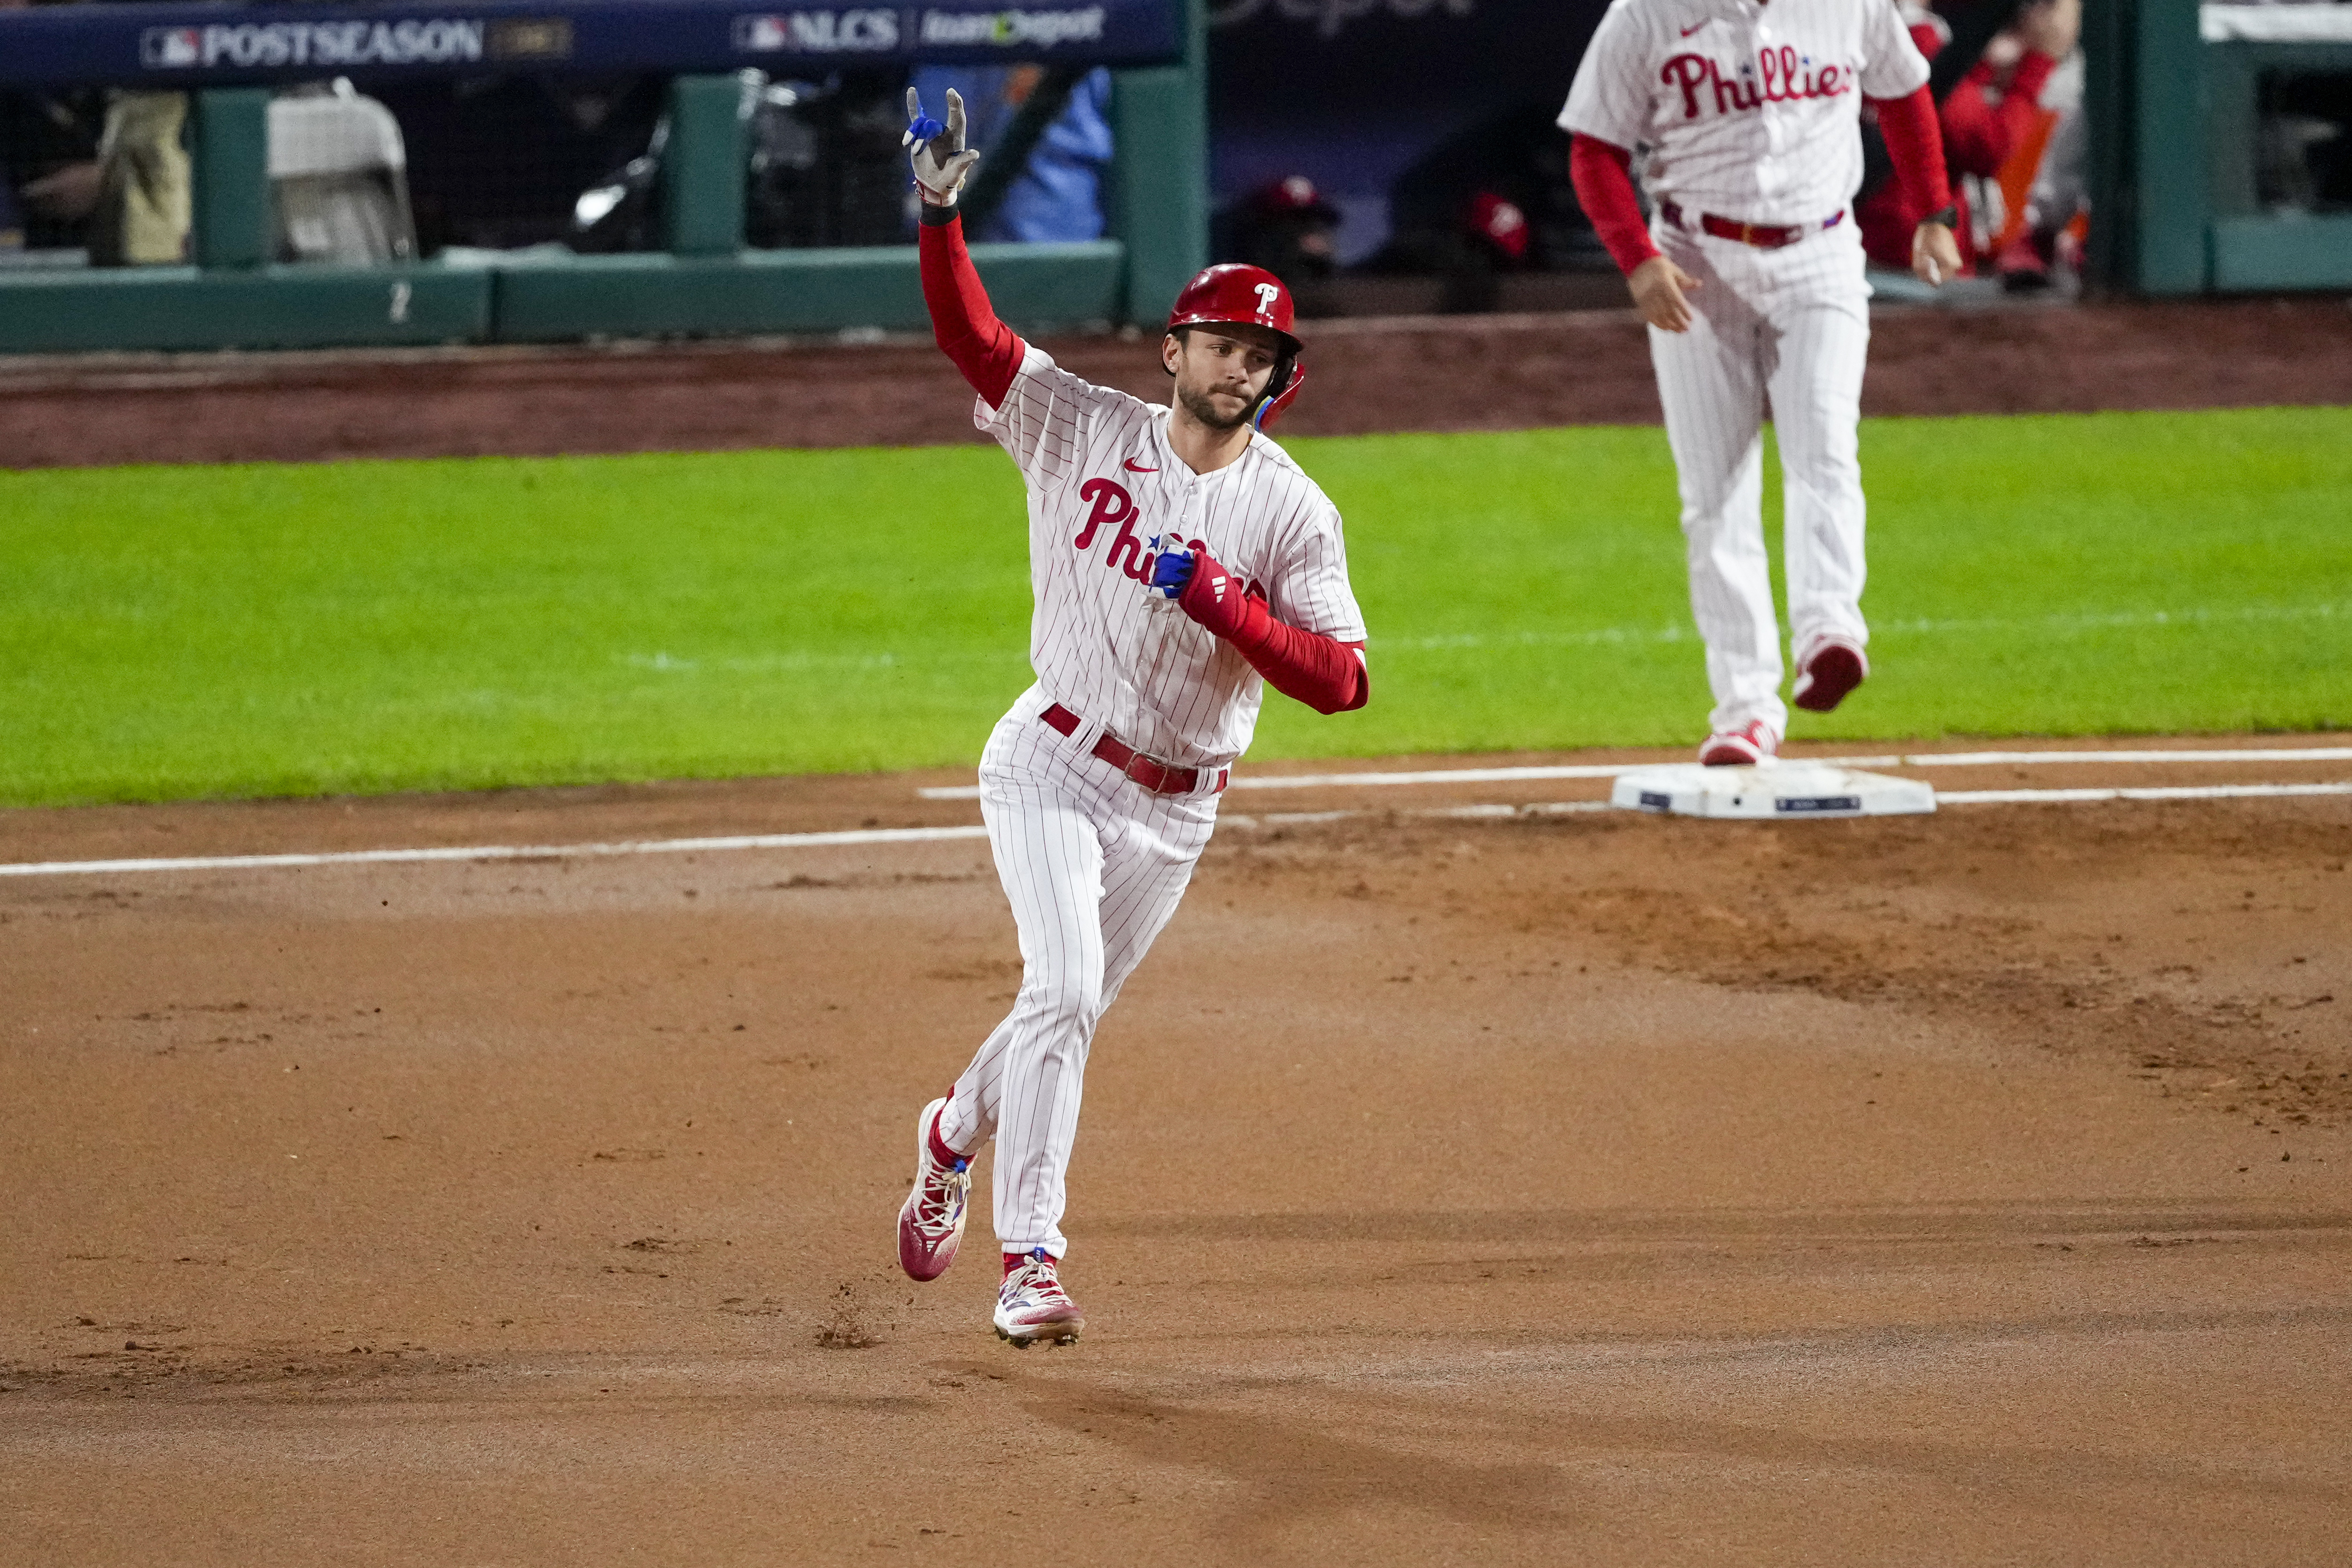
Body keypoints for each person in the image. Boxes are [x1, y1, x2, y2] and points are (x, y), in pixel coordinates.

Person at [890, 90, 1372, 1346]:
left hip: (1178, 811)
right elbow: (974, 339)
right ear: (1174, 350)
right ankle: (1029, 1258)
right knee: (1062, 984)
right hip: (1048, 760)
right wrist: (939, 216)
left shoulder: (1291, 513)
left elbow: (1342, 681)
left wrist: (1224, 604)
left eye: (1258, 354)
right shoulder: (1080, 426)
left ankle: (948, 1135)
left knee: (1065, 1005)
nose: (1236, 365)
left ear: (1281, 379)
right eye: (1218, 342)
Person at [1561, 0, 1960, 765]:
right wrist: (1638, 258)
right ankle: (1746, 711)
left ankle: (1829, 631)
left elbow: (1904, 91)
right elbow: (1595, 148)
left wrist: (1933, 209)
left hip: (1822, 256)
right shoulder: (1645, 15)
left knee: (1824, 447)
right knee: (1715, 493)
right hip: (1694, 259)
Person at [1856, 0, 2082, 277]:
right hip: (1910, 257)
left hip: (1865, 245)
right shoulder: (1919, 34)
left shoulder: (1858, 27)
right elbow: (1986, 146)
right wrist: (2039, 62)